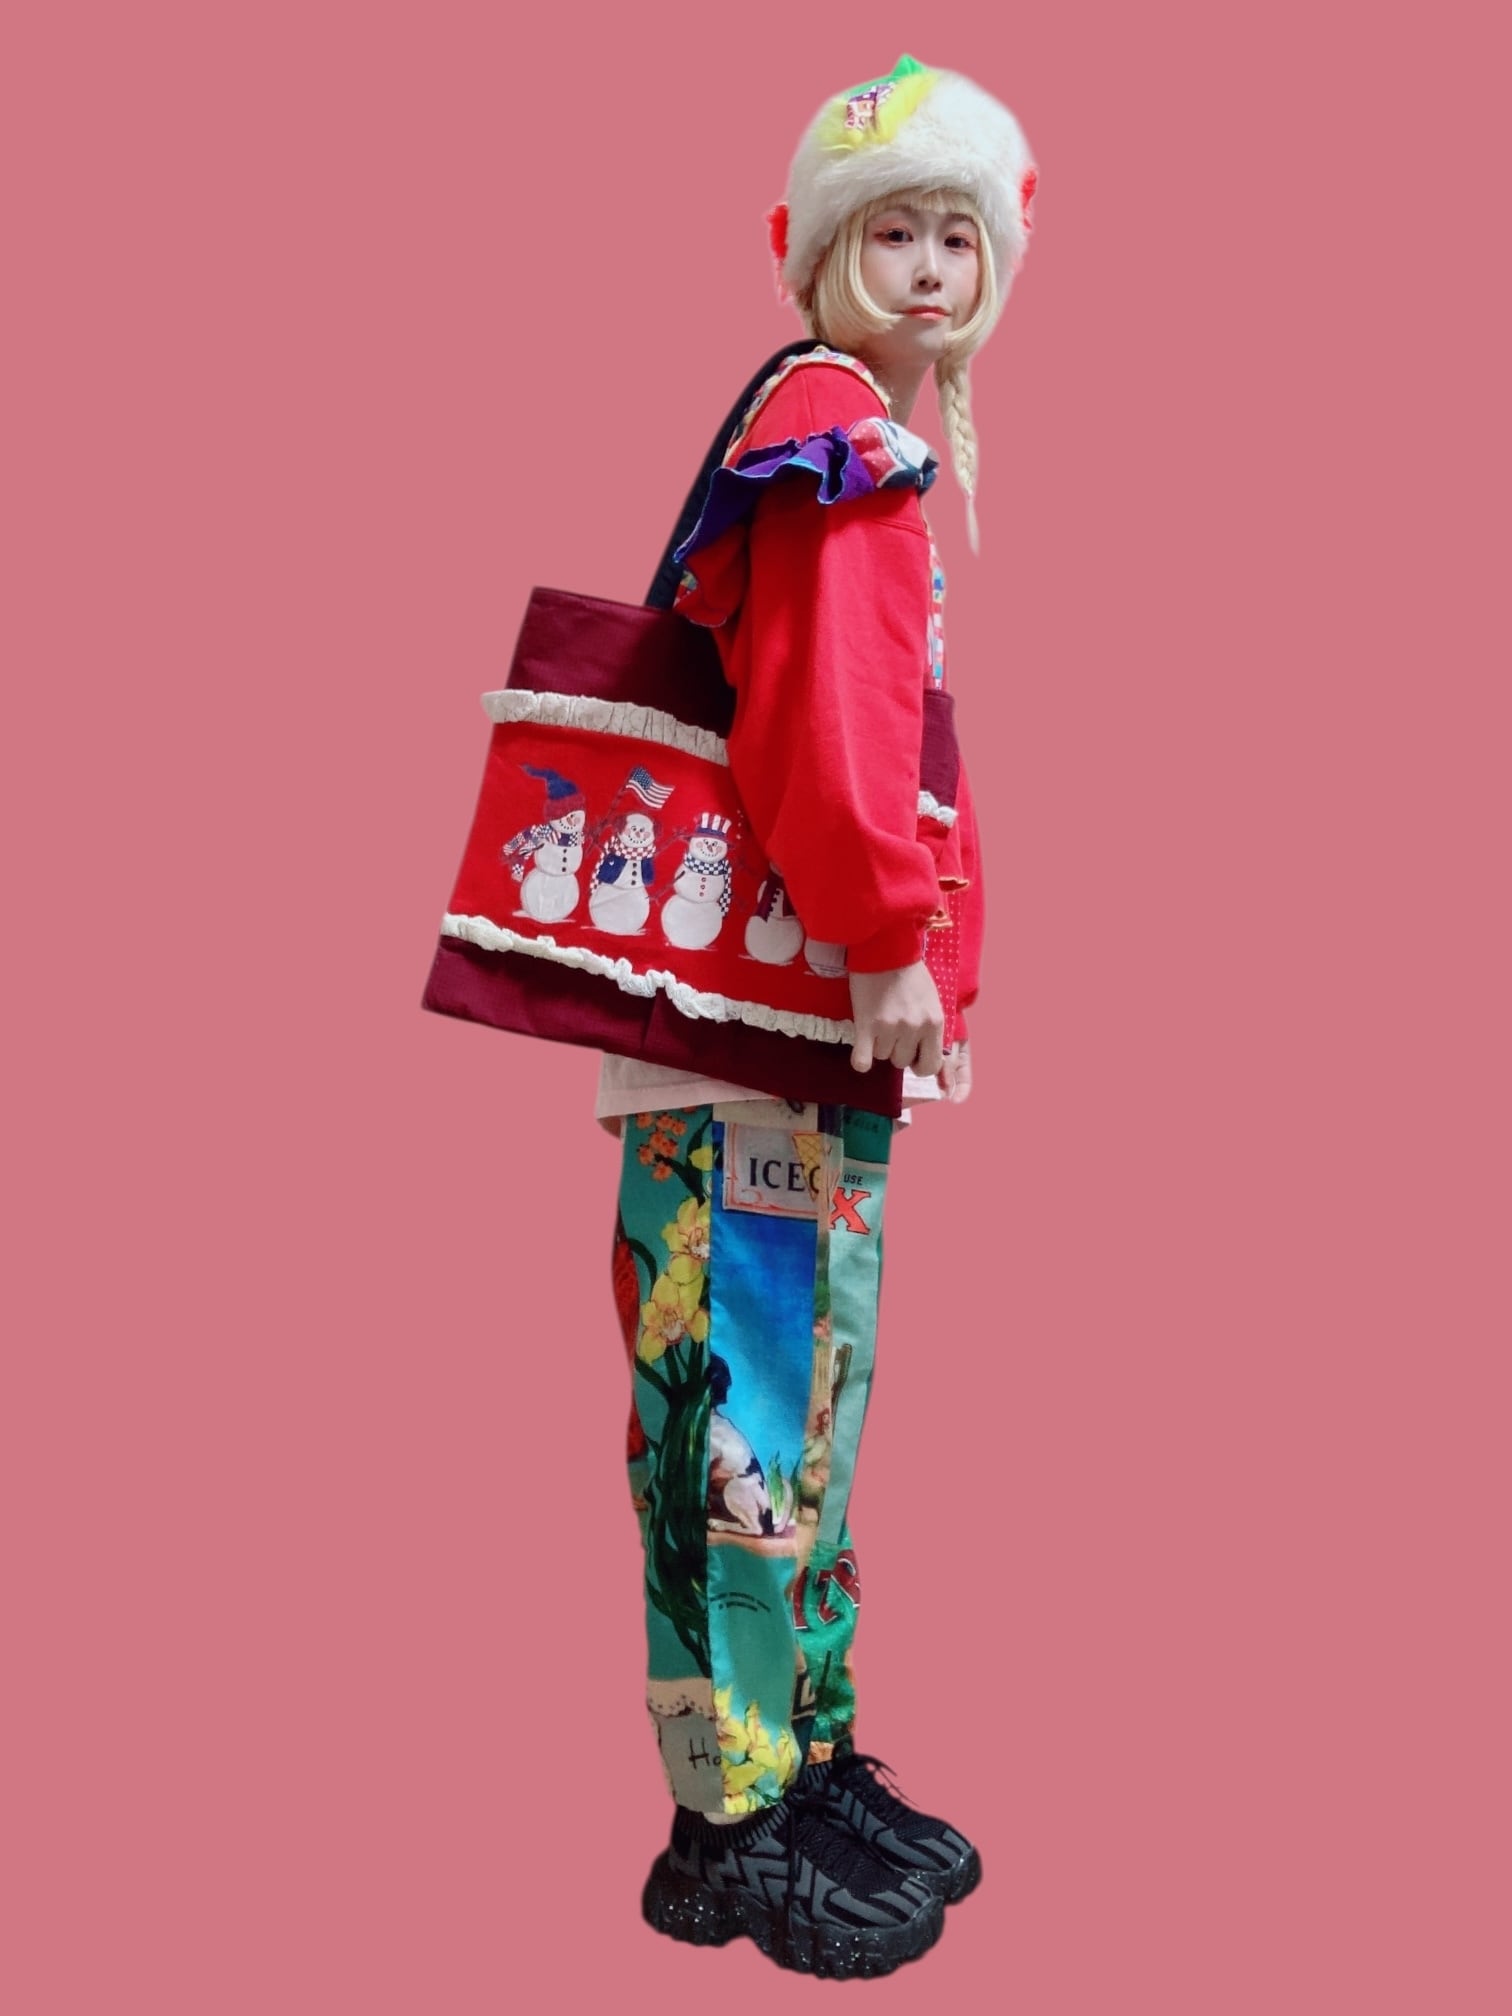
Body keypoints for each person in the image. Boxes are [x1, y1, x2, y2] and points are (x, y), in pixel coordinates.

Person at [597, 55, 1037, 1978]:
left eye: (960, 236)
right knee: (736, 1411)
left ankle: (810, 1752)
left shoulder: (865, 440)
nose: (931, 266)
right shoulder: (831, 436)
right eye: (895, 231)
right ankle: (731, 1818)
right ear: (819, 252)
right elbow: (826, 715)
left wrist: (906, 964)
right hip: (762, 1022)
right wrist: (880, 937)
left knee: (806, 1406)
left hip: (807, 1027)